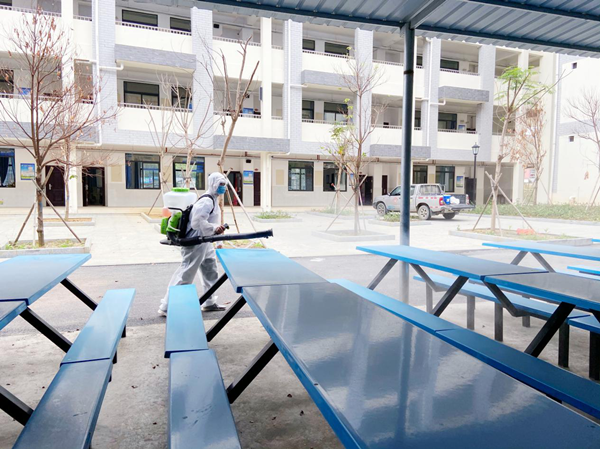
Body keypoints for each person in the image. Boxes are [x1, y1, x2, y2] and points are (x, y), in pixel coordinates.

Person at [158, 172, 228, 316]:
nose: (223, 187)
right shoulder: (206, 201)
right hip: (195, 241)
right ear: (213, 184)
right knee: (186, 273)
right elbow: (197, 223)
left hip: (205, 241)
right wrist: (214, 229)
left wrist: (218, 241)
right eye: (221, 184)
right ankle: (167, 306)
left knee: (210, 270)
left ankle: (209, 301)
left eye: (224, 185)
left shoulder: (214, 200)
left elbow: (214, 221)